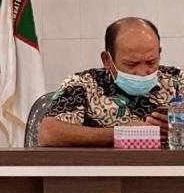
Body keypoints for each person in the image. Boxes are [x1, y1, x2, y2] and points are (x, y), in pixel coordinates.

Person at [39, 17, 180, 147]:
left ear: (159, 53)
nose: (142, 72)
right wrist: (122, 134)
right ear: (107, 59)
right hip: (103, 166)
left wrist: (179, 130)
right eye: (131, 64)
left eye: (151, 62)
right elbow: (48, 134)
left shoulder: (178, 81)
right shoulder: (82, 85)